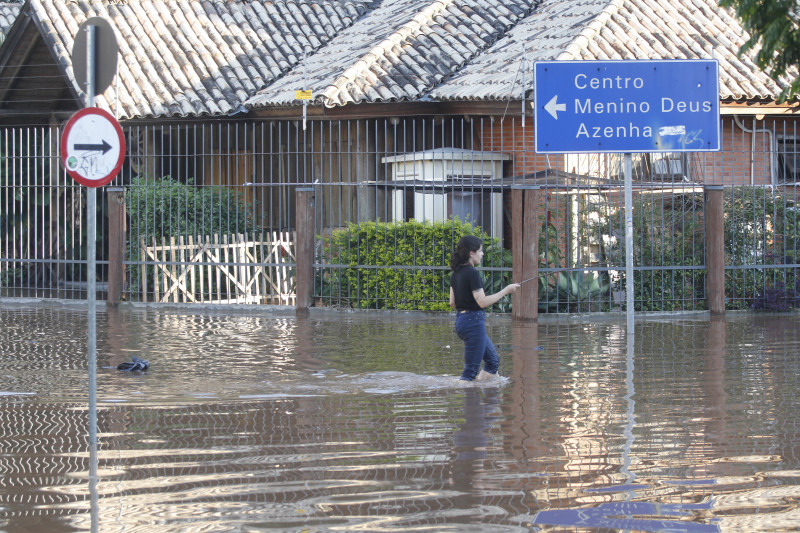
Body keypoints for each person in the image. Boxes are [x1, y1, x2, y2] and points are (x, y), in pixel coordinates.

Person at [449, 235, 519, 382]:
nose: (483, 254)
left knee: (493, 362)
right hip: (473, 322)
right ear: (471, 253)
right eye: (480, 251)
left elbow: (452, 303)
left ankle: (480, 396)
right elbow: (482, 302)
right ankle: (466, 401)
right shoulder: (472, 273)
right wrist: (505, 291)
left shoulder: (456, 274)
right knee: (469, 372)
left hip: (461, 322)